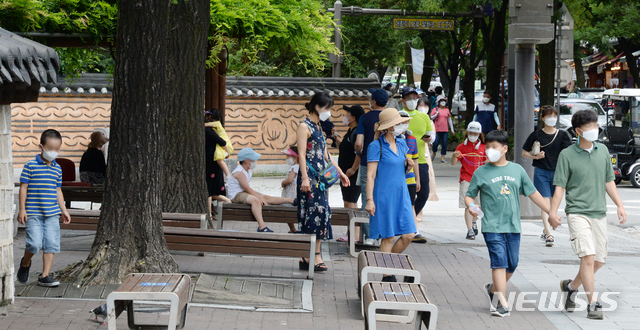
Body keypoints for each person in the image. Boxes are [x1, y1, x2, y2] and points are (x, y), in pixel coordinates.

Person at [465, 130, 560, 317]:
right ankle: (502, 302)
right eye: (488, 147)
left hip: (513, 226)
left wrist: (551, 213)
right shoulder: (481, 172)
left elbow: (533, 193)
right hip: (492, 226)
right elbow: (469, 195)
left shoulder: (517, 170)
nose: (490, 150)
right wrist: (471, 206)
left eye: (494, 147)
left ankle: (493, 289)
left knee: (512, 264)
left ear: (504, 149)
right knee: (498, 263)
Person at [549, 110, 627, 320]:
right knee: (588, 257)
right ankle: (593, 304)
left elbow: (609, 180)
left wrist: (619, 205)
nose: (594, 130)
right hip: (577, 213)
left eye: (596, 126)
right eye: (589, 127)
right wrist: (553, 213)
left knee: (598, 261)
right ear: (578, 131)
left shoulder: (603, 151)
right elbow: (559, 187)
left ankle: (571, 287)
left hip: (599, 213)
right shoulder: (567, 155)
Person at [297, 93, 350, 271]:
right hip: (309, 177)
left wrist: (340, 173)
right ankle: (309, 255)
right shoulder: (304, 126)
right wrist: (304, 178)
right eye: (327, 108)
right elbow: (302, 155)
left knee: (322, 213)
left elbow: (327, 155)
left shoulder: (319, 127)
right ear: (316, 107)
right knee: (311, 214)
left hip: (320, 178)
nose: (328, 112)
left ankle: (313, 254)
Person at [365, 108, 416, 282]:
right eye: (397, 123)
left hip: (402, 195)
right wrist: (370, 200)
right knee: (387, 236)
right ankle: (386, 274)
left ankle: (386, 262)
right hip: (383, 196)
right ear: (389, 126)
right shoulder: (376, 146)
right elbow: (371, 176)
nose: (401, 126)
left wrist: (408, 166)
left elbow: (401, 169)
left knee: (409, 234)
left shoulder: (402, 144)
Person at [16, 129, 71, 287]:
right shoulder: (30, 165)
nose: (53, 152)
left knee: (51, 244)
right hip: (33, 213)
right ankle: (25, 263)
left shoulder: (57, 168)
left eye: (57, 149)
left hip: (52, 214)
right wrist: (22, 209)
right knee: (34, 243)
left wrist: (64, 210)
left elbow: (58, 190)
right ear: (41, 146)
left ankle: (45, 276)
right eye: (50, 149)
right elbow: (23, 188)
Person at [521, 105, 572, 246]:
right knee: (545, 202)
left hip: (558, 172)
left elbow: (569, 154)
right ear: (542, 118)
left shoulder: (563, 135)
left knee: (554, 203)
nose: (552, 119)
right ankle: (549, 233)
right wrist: (536, 157)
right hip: (541, 171)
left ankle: (545, 228)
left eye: (554, 116)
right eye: (549, 116)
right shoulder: (536, 134)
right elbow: (524, 152)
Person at [227, 148, 294, 232]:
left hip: (243, 192)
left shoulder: (248, 171)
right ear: (247, 161)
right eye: (253, 160)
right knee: (255, 200)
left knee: (266, 197)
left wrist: (261, 197)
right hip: (236, 195)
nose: (255, 162)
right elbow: (247, 188)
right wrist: (259, 198)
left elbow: (247, 189)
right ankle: (262, 226)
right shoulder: (240, 172)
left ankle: (290, 200)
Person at [355, 88, 389, 245]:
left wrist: (359, 152)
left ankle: (370, 236)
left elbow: (359, 143)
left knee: (367, 198)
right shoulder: (389, 118)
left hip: (367, 162)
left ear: (373, 102)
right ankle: (383, 234)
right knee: (382, 198)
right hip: (386, 163)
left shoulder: (364, 118)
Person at [405, 91, 435, 235]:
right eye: (409, 98)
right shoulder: (400, 114)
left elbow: (432, 135)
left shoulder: (424, 117)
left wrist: (430, 139)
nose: (412, 101)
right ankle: (410, 226)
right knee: (406, 194)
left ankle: (410, 219)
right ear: (403, 101)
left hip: (420, 159)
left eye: (414, 98)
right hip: (402, 160)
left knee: (423, 193)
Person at [451, 122, 486, 240]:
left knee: (478, 204)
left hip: (480, 180)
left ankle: (474, 222)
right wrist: (454, 156)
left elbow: (488, 162)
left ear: (479, 134)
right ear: (467, 132)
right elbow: (453, 163)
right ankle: (469, 229)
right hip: (466, 179)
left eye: (475, 133)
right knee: (468, 205)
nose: (473, 135)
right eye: (471, 132)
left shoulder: (483, 147)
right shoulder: (462, 146)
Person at [335, 105, 365, 243]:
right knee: (349, 202)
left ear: (353, 118)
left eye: (347, 114)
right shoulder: (351, 131)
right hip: (346, 173)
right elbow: (346, 148)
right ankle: (352, 233)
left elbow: (359, 152)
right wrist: (334, 136)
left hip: (351, 174)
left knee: (350, 203)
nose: (344, 117)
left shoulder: (358, 133)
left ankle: (354, 234)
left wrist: (353, 169)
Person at [398, 111, 426, 244]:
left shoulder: (412, 139)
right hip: (396, 179)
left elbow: (415, 161)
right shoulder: (391, 139)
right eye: (402, 122)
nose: (405, 124)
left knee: (411, 205)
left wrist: (417, 179)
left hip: (410, 179)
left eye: (407, 122)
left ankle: (415, 230)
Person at [205, 110, 231, 222]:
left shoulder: (210, 128)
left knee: (209, 191)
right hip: (212, 160)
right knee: (212, 192)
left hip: (212, 161)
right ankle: (228, 204)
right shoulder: (213, 127)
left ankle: (210, 214)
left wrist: (228, 152)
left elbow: (221, 141)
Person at [204, 108, 233, 177]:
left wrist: (228, 152)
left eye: (208, 115)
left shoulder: (216, 123)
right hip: (223, 144)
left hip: (224, 144)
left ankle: (228, 176)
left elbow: (204, 125)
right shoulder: (217, 123)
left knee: (219, 160)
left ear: (211, 116)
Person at [281, 146, 300, 233]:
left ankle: (292, 228)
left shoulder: (295, 167)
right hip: (293, 192)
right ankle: (293, 228)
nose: (287, 158)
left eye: (288, 156)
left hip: (291, 194)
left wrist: (283, 182)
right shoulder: (298, 167)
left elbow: (290, 180)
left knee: (286, 209)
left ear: (295, 157)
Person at [430, 96, 455, 163]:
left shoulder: (447, 110)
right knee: (435, 143)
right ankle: (434, 153)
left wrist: (452, 129)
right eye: (441, 101)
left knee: (444, 144)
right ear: (438, 102)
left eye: (444, 101)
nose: (443, 102)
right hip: (437, 129)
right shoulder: (435, 109)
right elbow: (431, 118)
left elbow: (449, 120)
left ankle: (442, 157)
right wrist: (436, 114)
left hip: (445, 130)